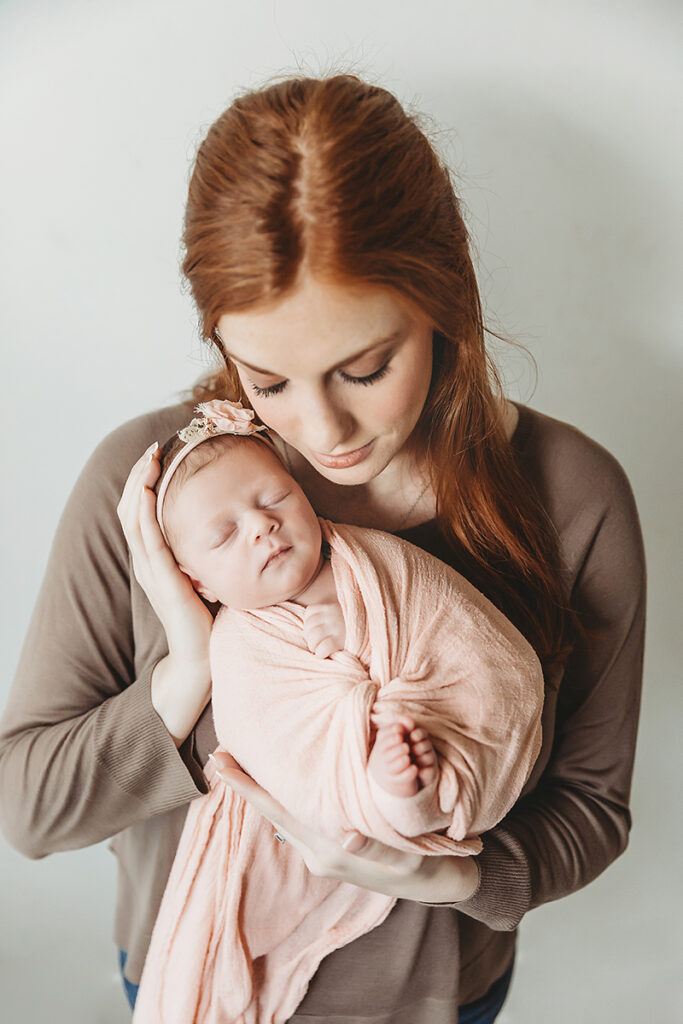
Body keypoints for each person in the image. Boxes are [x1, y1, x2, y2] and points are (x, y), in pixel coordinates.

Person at [0, 73, 646, 1024]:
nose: (320, 428)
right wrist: (190, 667)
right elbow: (28, 807)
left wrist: (441, 875)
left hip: (434, 1001)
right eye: (266, 381)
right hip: (190, 978)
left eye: (365, 368)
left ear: (445, 303)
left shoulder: (570, 496)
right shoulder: (145, 493)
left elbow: (590, 812)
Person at [131, 398, 543, 1022]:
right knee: (347, 772)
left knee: (416, 735)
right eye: (225, 534)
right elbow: (269, 738)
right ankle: (389, 788)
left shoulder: (367, 563)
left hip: (441, 716)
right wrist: (191, 660)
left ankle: (414, 786)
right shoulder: (241, 644)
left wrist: (360, 618)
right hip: (339, 766)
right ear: (199, 585)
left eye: (273, 500)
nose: (262, 526)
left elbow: (438, 618)